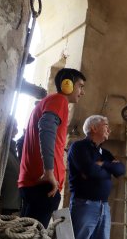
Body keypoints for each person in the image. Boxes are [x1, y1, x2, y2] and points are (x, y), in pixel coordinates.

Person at [18, 68, 86, 228]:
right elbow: (46, 129)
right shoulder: (59, 100)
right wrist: (49, 172)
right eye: (80, 86)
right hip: (45, 183)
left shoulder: (47, 102)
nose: (82, 92)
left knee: (24, 237)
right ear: (67, 84)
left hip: (33, 182)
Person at [68, 115, 125, 239]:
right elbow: (91, 171)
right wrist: (107, 169)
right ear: (93, 128)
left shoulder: (104, 154)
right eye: (106, 125)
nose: (109, 130)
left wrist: (103, 165)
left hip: (104, 207)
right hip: (84, 205)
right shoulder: (78, 147)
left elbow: (120, 170)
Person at [0, 118, 21, 215]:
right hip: (3, 203)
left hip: (11, 203)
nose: (16, 130)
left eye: (16, 126)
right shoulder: (1, 148)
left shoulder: (12, 149)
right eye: (14, 126)